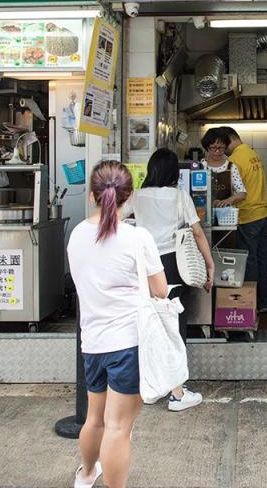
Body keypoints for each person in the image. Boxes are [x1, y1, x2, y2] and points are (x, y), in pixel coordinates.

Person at [67, 161, 169, 488]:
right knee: (118, 428)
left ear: (93, 194)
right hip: (128, 344)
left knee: (94, 419)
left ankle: (86, 474)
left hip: (92, 344)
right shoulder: (137, 238)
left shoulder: (77, 235)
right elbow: (161, 290)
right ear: (129, 195)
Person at [120, 148, 213, 412]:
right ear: (174, 172)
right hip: (171, 265)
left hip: (144, 266)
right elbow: (197, 233)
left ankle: (151, 388)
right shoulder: (179, 196)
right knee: (173, 324)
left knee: (149, 322)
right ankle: (177, 393)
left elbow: (118, 219)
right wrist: (209, 264)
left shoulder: (137, 196)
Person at [214, 126, 267, 313]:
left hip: (248, 216)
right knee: (263, 259)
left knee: (249, 261)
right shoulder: (251, 153)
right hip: (263, 214)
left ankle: (250, 303)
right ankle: (263, 302)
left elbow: (235, 190)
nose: (222, 149)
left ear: (230, 139)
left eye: (223, 144)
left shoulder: (234, 160)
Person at [200, 128, 247, 208]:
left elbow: (242, 193)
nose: (217, 151)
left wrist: (229, 200)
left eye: (221, 148)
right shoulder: (200, 166)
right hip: (203, 212)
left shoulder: (231, 167)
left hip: (225, 214)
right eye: (213, 148)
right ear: (207, 147)